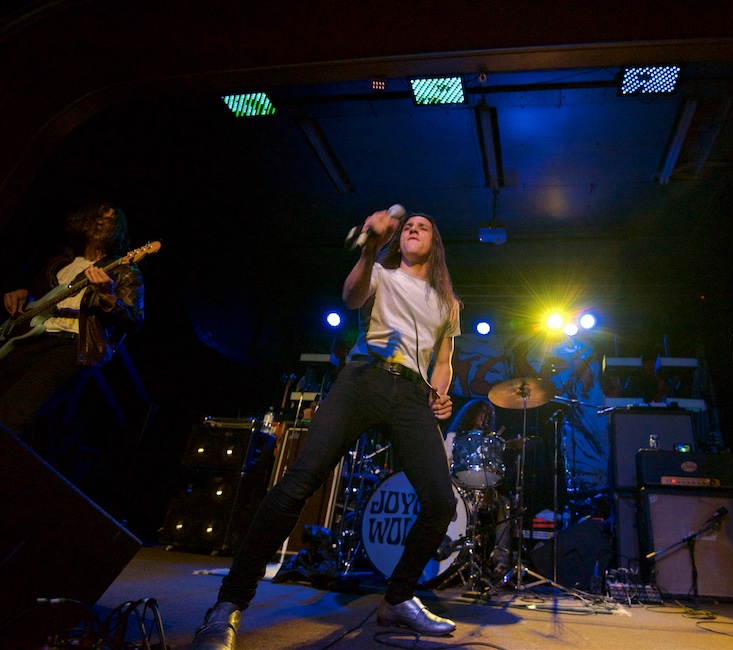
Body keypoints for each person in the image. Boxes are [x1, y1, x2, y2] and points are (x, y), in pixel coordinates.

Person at [192, 208, 462, 650]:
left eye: (424, 227)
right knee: (299, 482)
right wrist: (372, 245)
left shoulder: (448, 302)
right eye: (408, 225)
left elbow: (445, 360)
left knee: (440, 501)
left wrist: (440, 393)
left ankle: (397, 599)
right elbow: (352, 297)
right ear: (398, 239)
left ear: (435, 244)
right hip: (363, 379)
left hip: (412, 395)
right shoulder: (379, 271)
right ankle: (226, 605)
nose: (413, 228)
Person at [0, 202, 144, 444]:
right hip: (34, 337)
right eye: (98, 217)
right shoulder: (62, 262)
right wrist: (24, 293)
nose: (102, 223)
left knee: (12, 415)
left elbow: (134, 319)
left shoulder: (124, 272)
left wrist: (109, 296)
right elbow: (40, 296)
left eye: (110, 221)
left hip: (73, 346)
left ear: (119, 231)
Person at [443, 397, 496, 468]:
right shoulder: (453, 436)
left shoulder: (488, 442)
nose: (486, 416)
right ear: (473, 413)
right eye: (483, 412)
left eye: (488, 413)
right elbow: (444, 461)